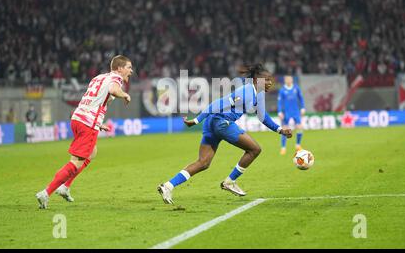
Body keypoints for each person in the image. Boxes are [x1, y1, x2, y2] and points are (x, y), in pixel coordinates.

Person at [157, 64, 293, 204]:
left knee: (203, 163)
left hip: (212, 123)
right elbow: (217, 104)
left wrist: (280, 130)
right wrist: (197, 120)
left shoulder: (258, 94)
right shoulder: (246, 92)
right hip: (221, 122)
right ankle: (230, 181)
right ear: (256, 80)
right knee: (254, 149)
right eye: (267, 79)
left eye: (271, 80)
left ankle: (168, 186)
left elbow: (263, 117)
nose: (270, 83)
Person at [35, 55, 133, 209]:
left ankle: (65, 187)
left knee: (92, 152)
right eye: (129, 67)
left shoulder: (98, 78)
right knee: (76, 162)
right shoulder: (116, 78)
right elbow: (114, 90)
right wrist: (125, 94)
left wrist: (99, 124)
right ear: (119, 68)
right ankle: (46, 192)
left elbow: (92, 100)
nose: (131, 71)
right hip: (87, 123)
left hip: (78, 118)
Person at [277, 75, 305, 155]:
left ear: (292, 80)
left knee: (299, 127)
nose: (289, 80)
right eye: (287, 79)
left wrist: (302, 108)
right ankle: (283, 148)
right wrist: (280, 112)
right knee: (285, 129)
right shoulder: (282, 90)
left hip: (296, 111)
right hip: (286, 112)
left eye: (290, 79)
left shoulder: (296, 88)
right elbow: (279, 102)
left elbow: (301, 98)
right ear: (285, 80)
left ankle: (298, 145)